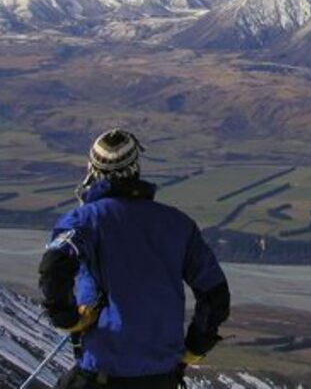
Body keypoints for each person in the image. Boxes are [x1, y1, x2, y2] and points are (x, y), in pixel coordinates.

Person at [38, 128, 230, 389]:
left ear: (93, 169)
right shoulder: (178, 224)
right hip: (161, 377)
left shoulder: (86, 221)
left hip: (101, 373)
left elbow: (53, 266)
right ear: (135, 167)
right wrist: (196, 346)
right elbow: (214, 292)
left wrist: (68, 318)